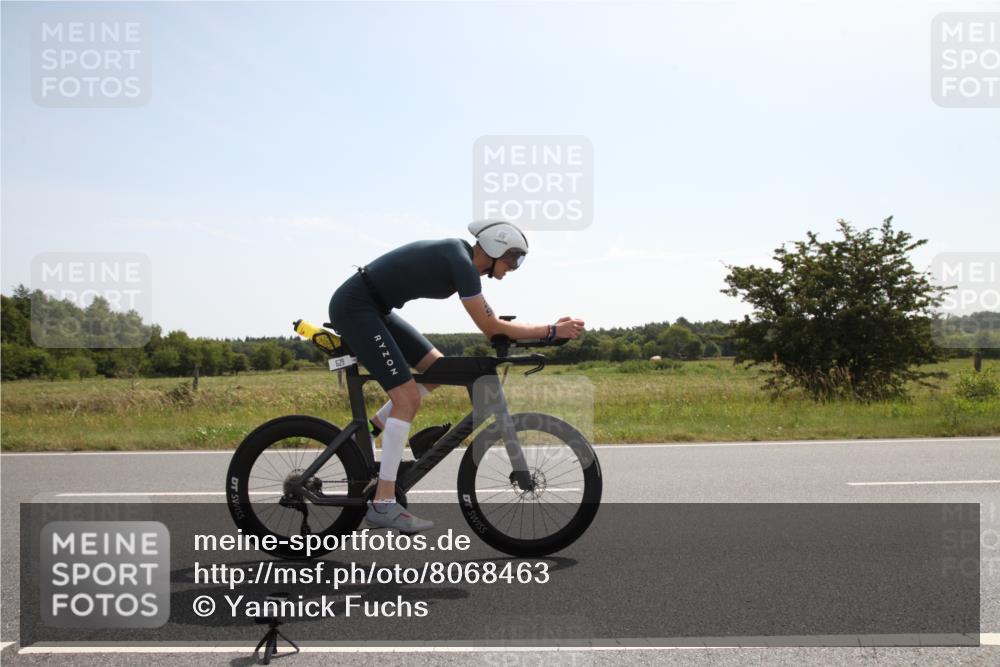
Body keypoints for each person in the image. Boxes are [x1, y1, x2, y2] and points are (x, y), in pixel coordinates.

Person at [327, 220, 585, 533]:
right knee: (407, 399)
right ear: (495, 248)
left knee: (439, 370)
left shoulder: (462, 260)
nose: (514, 267)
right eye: (513, 258)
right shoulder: (461, 262)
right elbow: (491, 327)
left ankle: (369, 432)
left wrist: (548, 333)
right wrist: (551, 330)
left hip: (376, 309)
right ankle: (383, 504)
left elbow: (493, 326)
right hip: (356, 307)